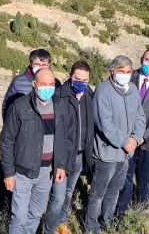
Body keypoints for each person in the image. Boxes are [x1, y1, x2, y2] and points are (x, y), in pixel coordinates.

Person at [0, 67, 74, 234]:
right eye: (43, 84)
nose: (47, 88)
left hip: (47, 173)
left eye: (51, 84)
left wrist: (61, 165)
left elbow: (62, 139)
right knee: (18, 216)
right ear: (34, 84)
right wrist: (8, 173)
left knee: (35, 214)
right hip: (23, 173)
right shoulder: (19, 106)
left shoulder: (59, 106)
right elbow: (6, 141)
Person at [86, 55, 146, 234]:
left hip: (125, 154)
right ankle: (92, 226)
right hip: (106, 153)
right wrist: (125, 141)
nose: (125, 75)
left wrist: (136, 138)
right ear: (112, 71)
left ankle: (107, 221)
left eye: (128, 72)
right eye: (121, 71)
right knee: (98, 193)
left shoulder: (133, 90)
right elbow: (104, 124)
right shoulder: (103, 91)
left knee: (114, 191)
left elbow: (140, 116)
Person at [44, 61, 95, 234]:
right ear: (70, 76)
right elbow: (57, 131)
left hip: (80, 155)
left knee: (69, 191)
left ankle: (61, 222)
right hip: (63, 155)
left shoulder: (89, 94)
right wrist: (59, 161)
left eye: (85, 80)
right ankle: (49, 229)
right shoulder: (59, 96)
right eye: (77, 78)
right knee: (58, 196)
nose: (81, 82)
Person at [117, 48, 149, 214]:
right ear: (141, 59)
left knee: (145, 179)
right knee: (125, 176)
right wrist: (129, 138)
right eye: (147, 60)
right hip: (126, 139)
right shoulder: (129, 77)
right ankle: (122, 209)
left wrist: (141, 137)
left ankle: (140, 211)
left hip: (148, 142)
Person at [3, 49, 59, 119]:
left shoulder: (56, 83)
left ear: (49, 65)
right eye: (37, 64)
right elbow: (7, 106)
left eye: (44, 65)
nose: (40, 67)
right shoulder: (18, 81)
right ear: (31, 63)